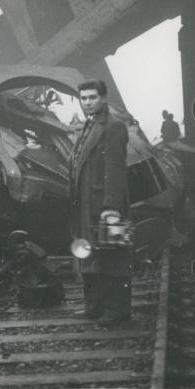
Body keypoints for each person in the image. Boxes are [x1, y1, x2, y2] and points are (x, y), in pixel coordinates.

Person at [69, 78, 131, 325]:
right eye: (83, 98)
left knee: (113, 254)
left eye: (92, 97)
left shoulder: (114, 126)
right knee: (88, 252)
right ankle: (93, 305)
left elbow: (115, 168)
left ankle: (117, 309)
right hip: (85, 202)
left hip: (105, 204)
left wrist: (112, 208)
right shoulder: (88, 126)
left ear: (103, 99)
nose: (87, 102)